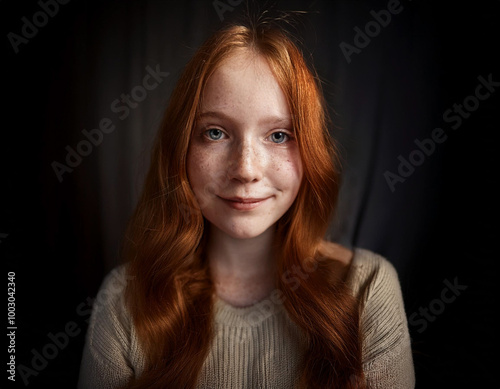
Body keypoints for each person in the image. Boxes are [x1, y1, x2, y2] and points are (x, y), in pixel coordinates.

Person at [78, 15, 415, 389]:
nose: (246, 170)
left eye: (279, 135)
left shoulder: (368, 289)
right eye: (216, 132)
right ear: (182, 149)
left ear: (311, 152)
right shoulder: (125, 299)